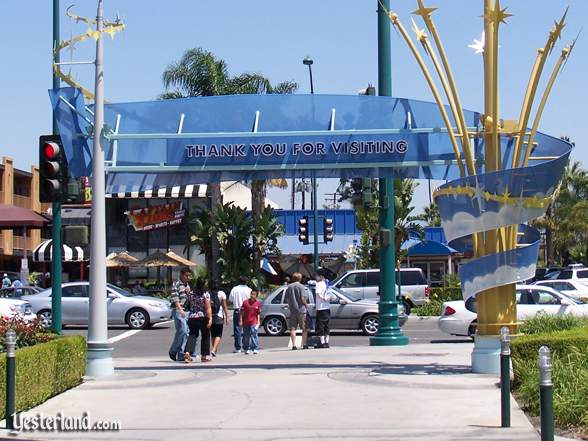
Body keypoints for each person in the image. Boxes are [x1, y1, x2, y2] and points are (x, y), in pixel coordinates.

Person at [184, 278, 213, 363]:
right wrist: (210, 318)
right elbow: (208, 308)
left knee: (192, 335)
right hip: (202, 317)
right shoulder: (205, 294)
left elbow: (187, 303)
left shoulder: (191, 293)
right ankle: (204, 356)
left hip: (192, 317)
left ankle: (187, 352)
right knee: (205, 336)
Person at [168, 267, 190, 362]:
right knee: (183, 331)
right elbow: (175, 298)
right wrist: (180, 309)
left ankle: (178, 353)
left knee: (184, 332)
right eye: (186, 275)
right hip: (178, 310)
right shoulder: (176, 284)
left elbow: (189, 299)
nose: (188, 277)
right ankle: (175, 351)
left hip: (187, 310)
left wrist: (189, 294)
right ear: (181, 274)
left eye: (189, 276)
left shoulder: (188, 285)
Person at [228, 276, 252, 353]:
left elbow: (230, 300)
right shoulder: (249, 290)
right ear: (246, 281)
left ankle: (238, 348)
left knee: (237, 329)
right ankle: (246, 347)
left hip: (237, 310)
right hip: (247, 310)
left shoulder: (234, 289)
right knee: (246, 329)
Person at [285, 272, 308, 350]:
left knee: (293, 328)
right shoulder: (301, 287)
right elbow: (302, 298)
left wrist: (291, 305)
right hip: (301, 310)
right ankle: (304, 344)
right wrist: (306, 305)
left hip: (293, 310)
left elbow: (287, 299)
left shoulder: (289, 287)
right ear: (300, 278)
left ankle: (294, 345)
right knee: (304, 328)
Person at [209, 281, 228, 357]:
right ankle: (214, 349)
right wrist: (227, 316)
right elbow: (224, 306)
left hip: (210, 316)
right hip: (219, 316)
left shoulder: (208, 293)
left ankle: (214, 349)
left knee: (213, 334)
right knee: (218, 334)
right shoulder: (221, 294)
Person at [240, 290, 261, 354]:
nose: (252, 296)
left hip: (254, 321)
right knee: (246, 336)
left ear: (256, 296)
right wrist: (240, 320)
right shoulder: (245, 302)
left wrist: (258, 322)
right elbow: (242, 312)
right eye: (251, 294)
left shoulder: (258, 303)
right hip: (246, 321)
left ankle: (255, 348)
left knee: (254, 335)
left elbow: (258, 313)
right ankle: (246, 348)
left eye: (254, 295)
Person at [314, 273, 333, 349]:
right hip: (327, 307)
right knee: (327, 325)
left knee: (320, 326)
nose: (316, 277)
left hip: (321, 307)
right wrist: (326, 299)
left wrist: (323, 299)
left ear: (320, 276)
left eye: (317, 276)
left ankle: (322, 343)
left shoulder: (319, 284)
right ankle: (327, 342)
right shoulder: (327, 284)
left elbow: (318, 294)